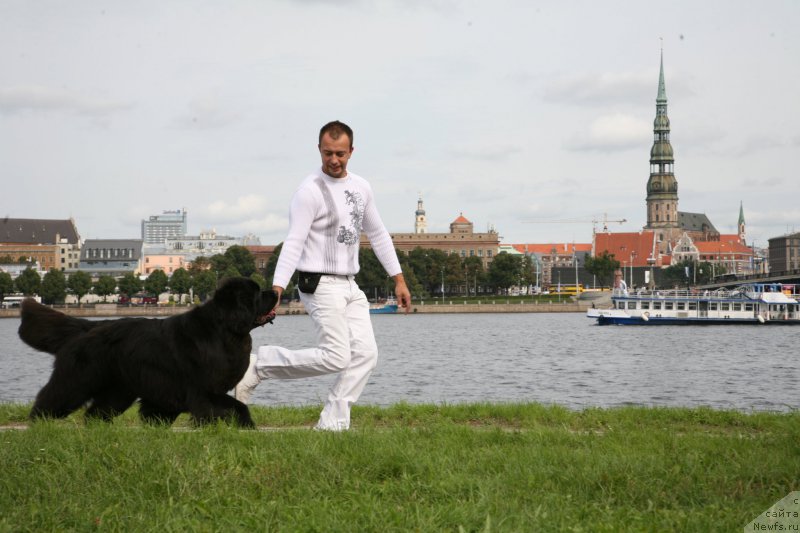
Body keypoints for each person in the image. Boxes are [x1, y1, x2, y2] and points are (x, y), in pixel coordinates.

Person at [234, 120, 412, 431]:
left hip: (350, 284)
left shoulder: (362, 187)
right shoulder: (309, 192)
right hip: (318, 284)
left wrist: (399, 279)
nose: (334, 160)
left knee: (366, 355)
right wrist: (277, 289)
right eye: (328, 153)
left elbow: (378, 234)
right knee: (337, 357)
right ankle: (259, 365)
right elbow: (294, 242)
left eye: (340, 153)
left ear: (351, 151)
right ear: (319, 149)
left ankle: (332, 424)